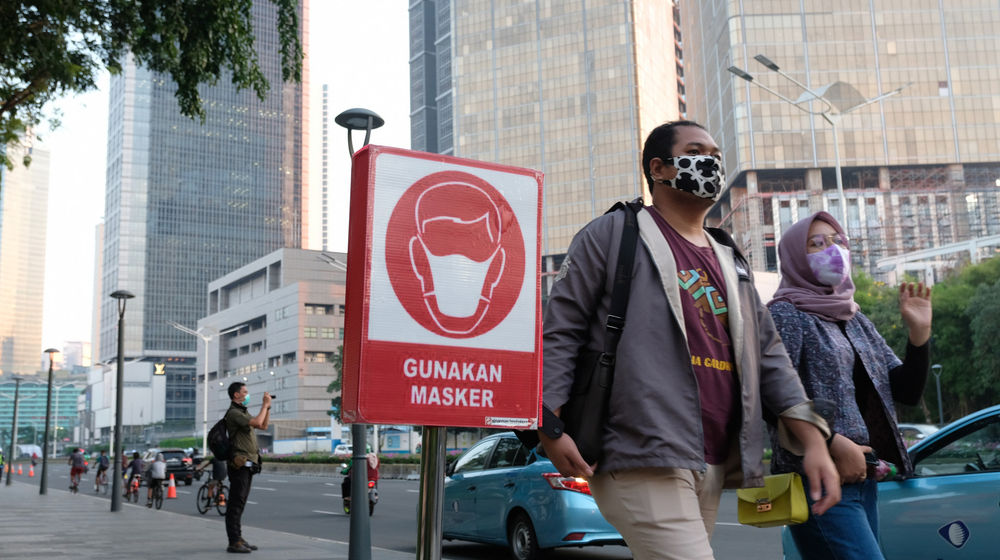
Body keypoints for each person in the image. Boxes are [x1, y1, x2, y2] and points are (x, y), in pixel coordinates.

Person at [537, 120, 841, 559]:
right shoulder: (613, 234)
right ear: (659, 168)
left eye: (716, 156)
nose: (711, 164)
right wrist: (550, 426)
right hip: (638, 447)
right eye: (697, 151)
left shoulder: (728, 256)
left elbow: (768, 354)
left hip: (712, 454)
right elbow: (560, 331)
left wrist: (813, 441)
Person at [767, 211, 932, 559]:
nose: (833, 249)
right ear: (796, 256)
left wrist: (919, 336)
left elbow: (905, 391)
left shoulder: (855, 318)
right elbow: (771, 394)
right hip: (818, 476)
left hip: (863, 478)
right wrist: (831, 440)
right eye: (817, 243)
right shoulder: (785, 313)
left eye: (838, 241)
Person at [223, 382, 271, 553]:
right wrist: (264, 405)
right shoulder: (234, 413)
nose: (247, 394)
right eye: (245, 392)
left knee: (240, 502)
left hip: (248, 464)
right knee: (235, 504)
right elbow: (258, 423)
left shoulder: (242, 412)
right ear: (236, 395)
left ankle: (238, 537)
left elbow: (263, 425)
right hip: (239, 464)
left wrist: (268, 408)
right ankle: (233, 541)